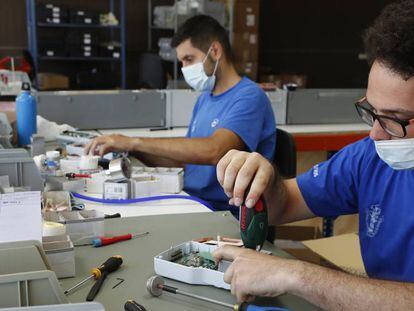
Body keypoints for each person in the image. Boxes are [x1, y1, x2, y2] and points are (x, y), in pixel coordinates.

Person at [213, 1, 414, 309]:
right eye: (372, 112)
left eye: (393, 119)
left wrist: (297, 276)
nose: (375, 133)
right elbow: (286, 205)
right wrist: (266, 181)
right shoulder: (368, 159)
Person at [85, 15, 276, 212]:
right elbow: (185, 161)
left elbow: (216, 151)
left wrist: (134, 141)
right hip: (192, 201)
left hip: (225, 213)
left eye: (189, 59)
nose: (185, 69)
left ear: (216, 51)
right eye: (182, 62)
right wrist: (132, 150)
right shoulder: (205, 99)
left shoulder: (249, 96)